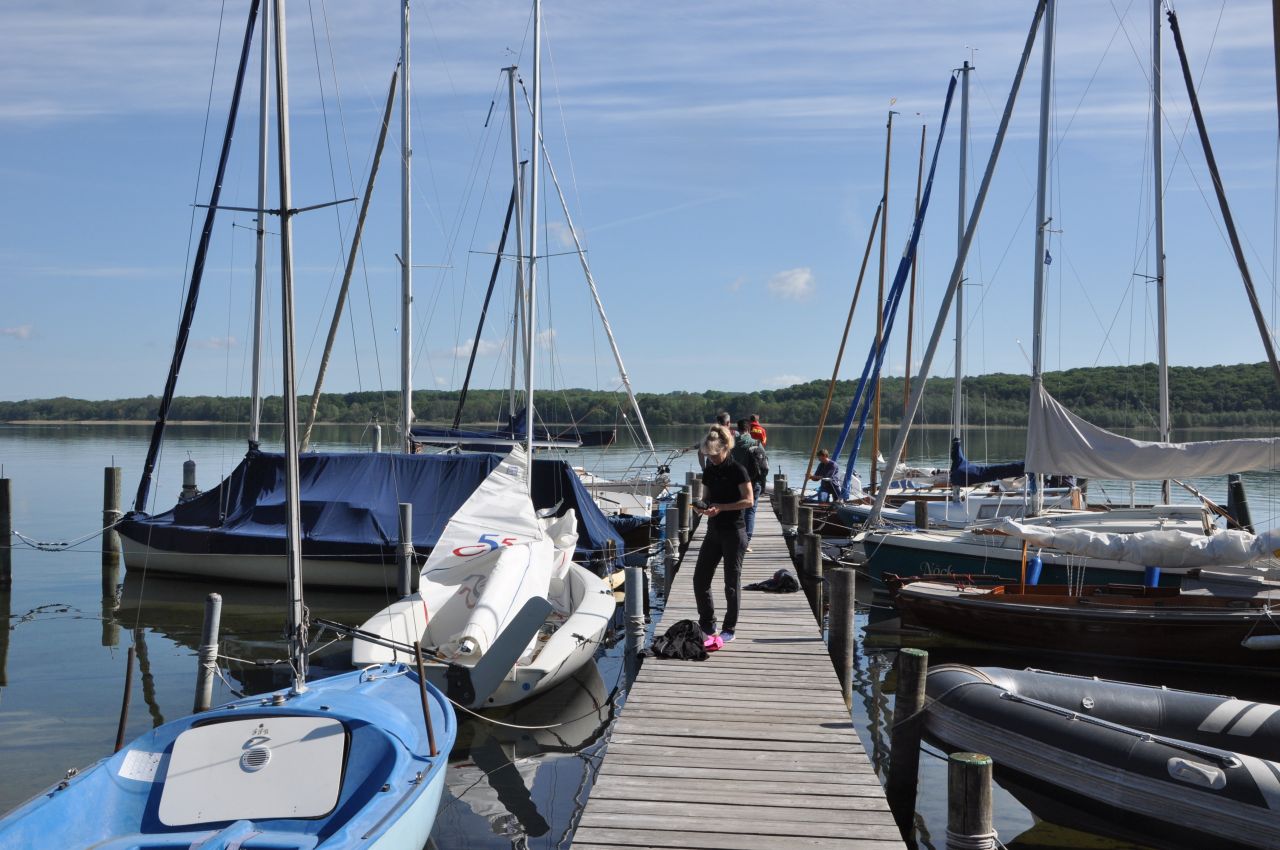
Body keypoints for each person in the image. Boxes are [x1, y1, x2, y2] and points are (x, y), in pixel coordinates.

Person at [691, 424, 754, 643]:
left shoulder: (738, 470)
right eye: (708, 455)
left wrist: (721, 507)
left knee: (731, 584)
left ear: (725, 448)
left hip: (734, 532)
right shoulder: (709, 470)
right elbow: (706, 498)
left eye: (715, 454)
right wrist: (702, 507)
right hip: (713, 531)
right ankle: (707, 624)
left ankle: (730, 628)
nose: (712, 458)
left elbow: (749, 501)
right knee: (700, 579)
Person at [732, 418, 765, 549]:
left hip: (736, 483)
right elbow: (764, 465)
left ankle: (736, 537)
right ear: (749, 429)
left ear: (738, 428)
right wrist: (762, 482)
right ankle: (747, 541)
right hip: (754, 481)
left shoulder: (731, 444)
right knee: (750, 511)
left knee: (736, 510)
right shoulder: (756, 443)